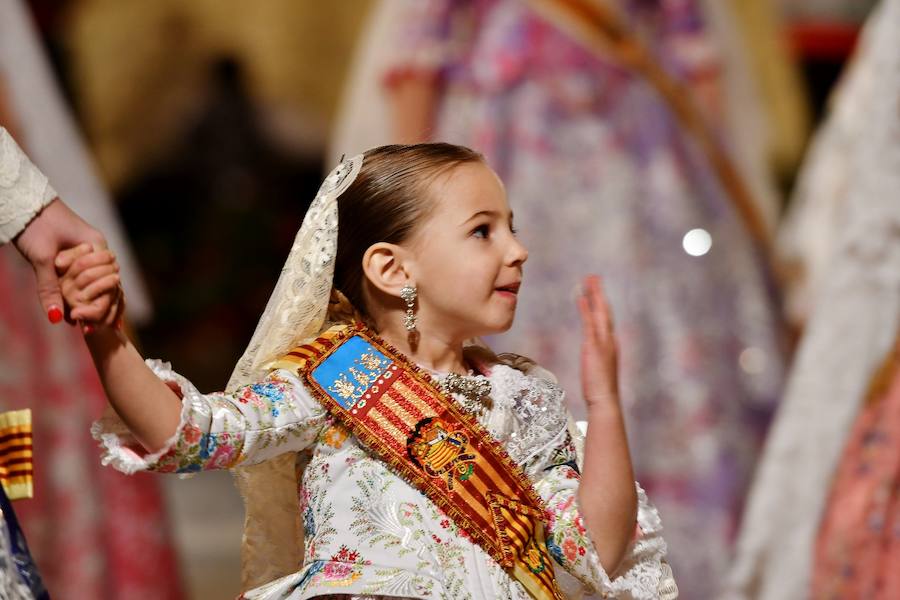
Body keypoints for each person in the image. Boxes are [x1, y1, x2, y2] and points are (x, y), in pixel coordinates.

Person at [58, 143, 678, 599]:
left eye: (511, 229)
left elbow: (596, 547)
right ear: (392, 269)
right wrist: (108, 335)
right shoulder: (329, 379)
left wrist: (605, 406)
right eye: (483, 232)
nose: (517, 250)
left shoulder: (523, 397)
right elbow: (193, 434)